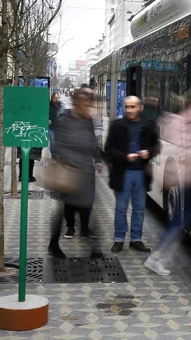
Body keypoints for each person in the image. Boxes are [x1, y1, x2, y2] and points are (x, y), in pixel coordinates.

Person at [144, 82, 191, 275]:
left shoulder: (179, 117)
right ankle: (157, 257)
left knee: (184, 217)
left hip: (189, 177)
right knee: (183, 218)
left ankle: (158, 256)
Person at [48, 88, 103, 259]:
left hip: (86, 172)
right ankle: (54, 243)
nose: (88, 108)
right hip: (69, 172)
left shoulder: (88, 121)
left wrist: (98, 158)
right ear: (77, 103)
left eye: (90, 105)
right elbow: (60, 146)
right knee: (65, 208)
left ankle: (92, 244)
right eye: (86, 105)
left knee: (88, 207)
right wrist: (71, 164)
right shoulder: (64, 120)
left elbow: (92, 143)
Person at [104, 96, 160, 254]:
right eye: (127, 106)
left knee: (139, 209)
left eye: (133, 107)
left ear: (140, 108)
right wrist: (125, 157)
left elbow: (156, 146)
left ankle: (136, 239)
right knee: (121, 208)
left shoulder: (149, 125)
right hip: (123, 174)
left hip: (141, 174)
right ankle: (119, 239)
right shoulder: (117, 125)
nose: (129, 110)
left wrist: (148, 152)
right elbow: (109, 151)